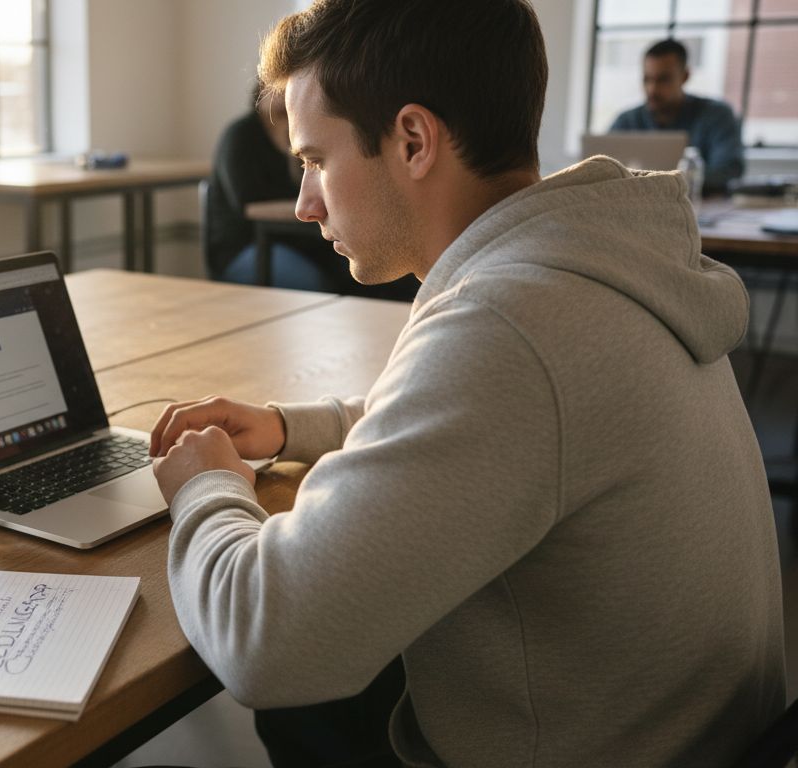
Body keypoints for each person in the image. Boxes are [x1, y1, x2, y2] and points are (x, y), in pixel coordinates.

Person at [151, 1, 786, 766]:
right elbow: (494, 427)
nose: (304, 202)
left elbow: (264, 643)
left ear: (414, 140)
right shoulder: (595, 264)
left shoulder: (510, 325)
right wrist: (295, 428)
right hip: (678, 733)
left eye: (316, 160)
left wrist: (206, 486)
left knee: (309, 695)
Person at [206, 84, 416, 299]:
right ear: (260, 95)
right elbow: (248, 204)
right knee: (316, 283)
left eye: (287, 86)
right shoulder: (241, 134)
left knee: (371, 276)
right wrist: (318, 208)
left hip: (302, 241)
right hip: (246, 246)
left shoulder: (301, 131)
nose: (283, 92)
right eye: (275, 87)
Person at [611, 38, 745, 194]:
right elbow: (601, 169)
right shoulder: (627, 121)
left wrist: (659, 182)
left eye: (663, 80)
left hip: (699, 210)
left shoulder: (716, 115)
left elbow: (729, 171)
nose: (652, 89)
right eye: (647, 79)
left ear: (685, 76)